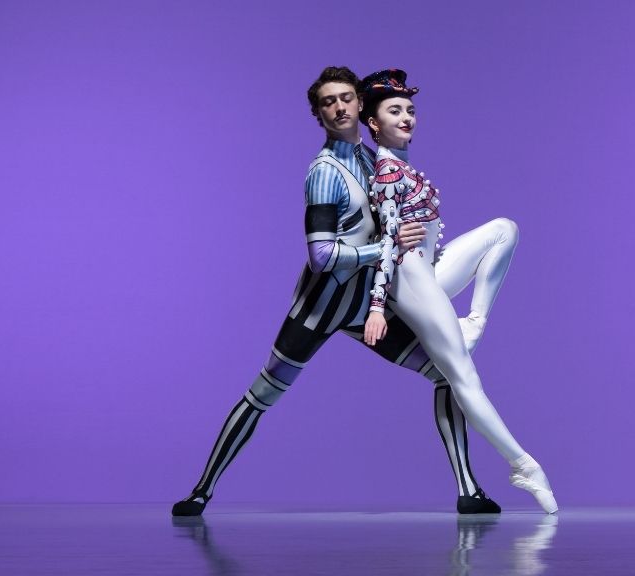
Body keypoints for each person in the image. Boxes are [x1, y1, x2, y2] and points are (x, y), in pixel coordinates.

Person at [171, 66, 520, 516]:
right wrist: (384, 247)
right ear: (319, 114)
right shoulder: (324, 172)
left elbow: (398, 216)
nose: (338, 107)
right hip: (318, 308)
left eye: (345, 98)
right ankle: (202, 490)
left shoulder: (374, 160)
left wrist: (414, 234)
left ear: (360, 105)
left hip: (364, 307)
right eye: (327, 102)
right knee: (263, 394)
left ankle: (469, 489)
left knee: (446, 374)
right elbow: (321, 255)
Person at [359, 68, 558, 513]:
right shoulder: (388, 174)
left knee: (503, 230)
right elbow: (388, 244)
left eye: (410, 110)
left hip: (429, 269)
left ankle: (475, 321)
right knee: (463, 376)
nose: (407, 117)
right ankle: (522, 465)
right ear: (374, 123)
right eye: (395, 111)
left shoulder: (402, 165)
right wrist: (376, 307)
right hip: (408, 280)